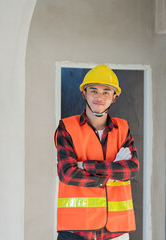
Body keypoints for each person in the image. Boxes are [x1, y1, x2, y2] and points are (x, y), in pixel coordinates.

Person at [54, 65, 139, 240]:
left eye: (106, 92)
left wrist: (86, 165)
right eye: (94, 91)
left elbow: (131, 169)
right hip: (77, 230)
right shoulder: (66, 128)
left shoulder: (122, 128)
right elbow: (67, 174)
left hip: (116, 230)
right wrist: (109, 175)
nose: (99, 97)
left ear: (114, 97)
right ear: (84, 93)